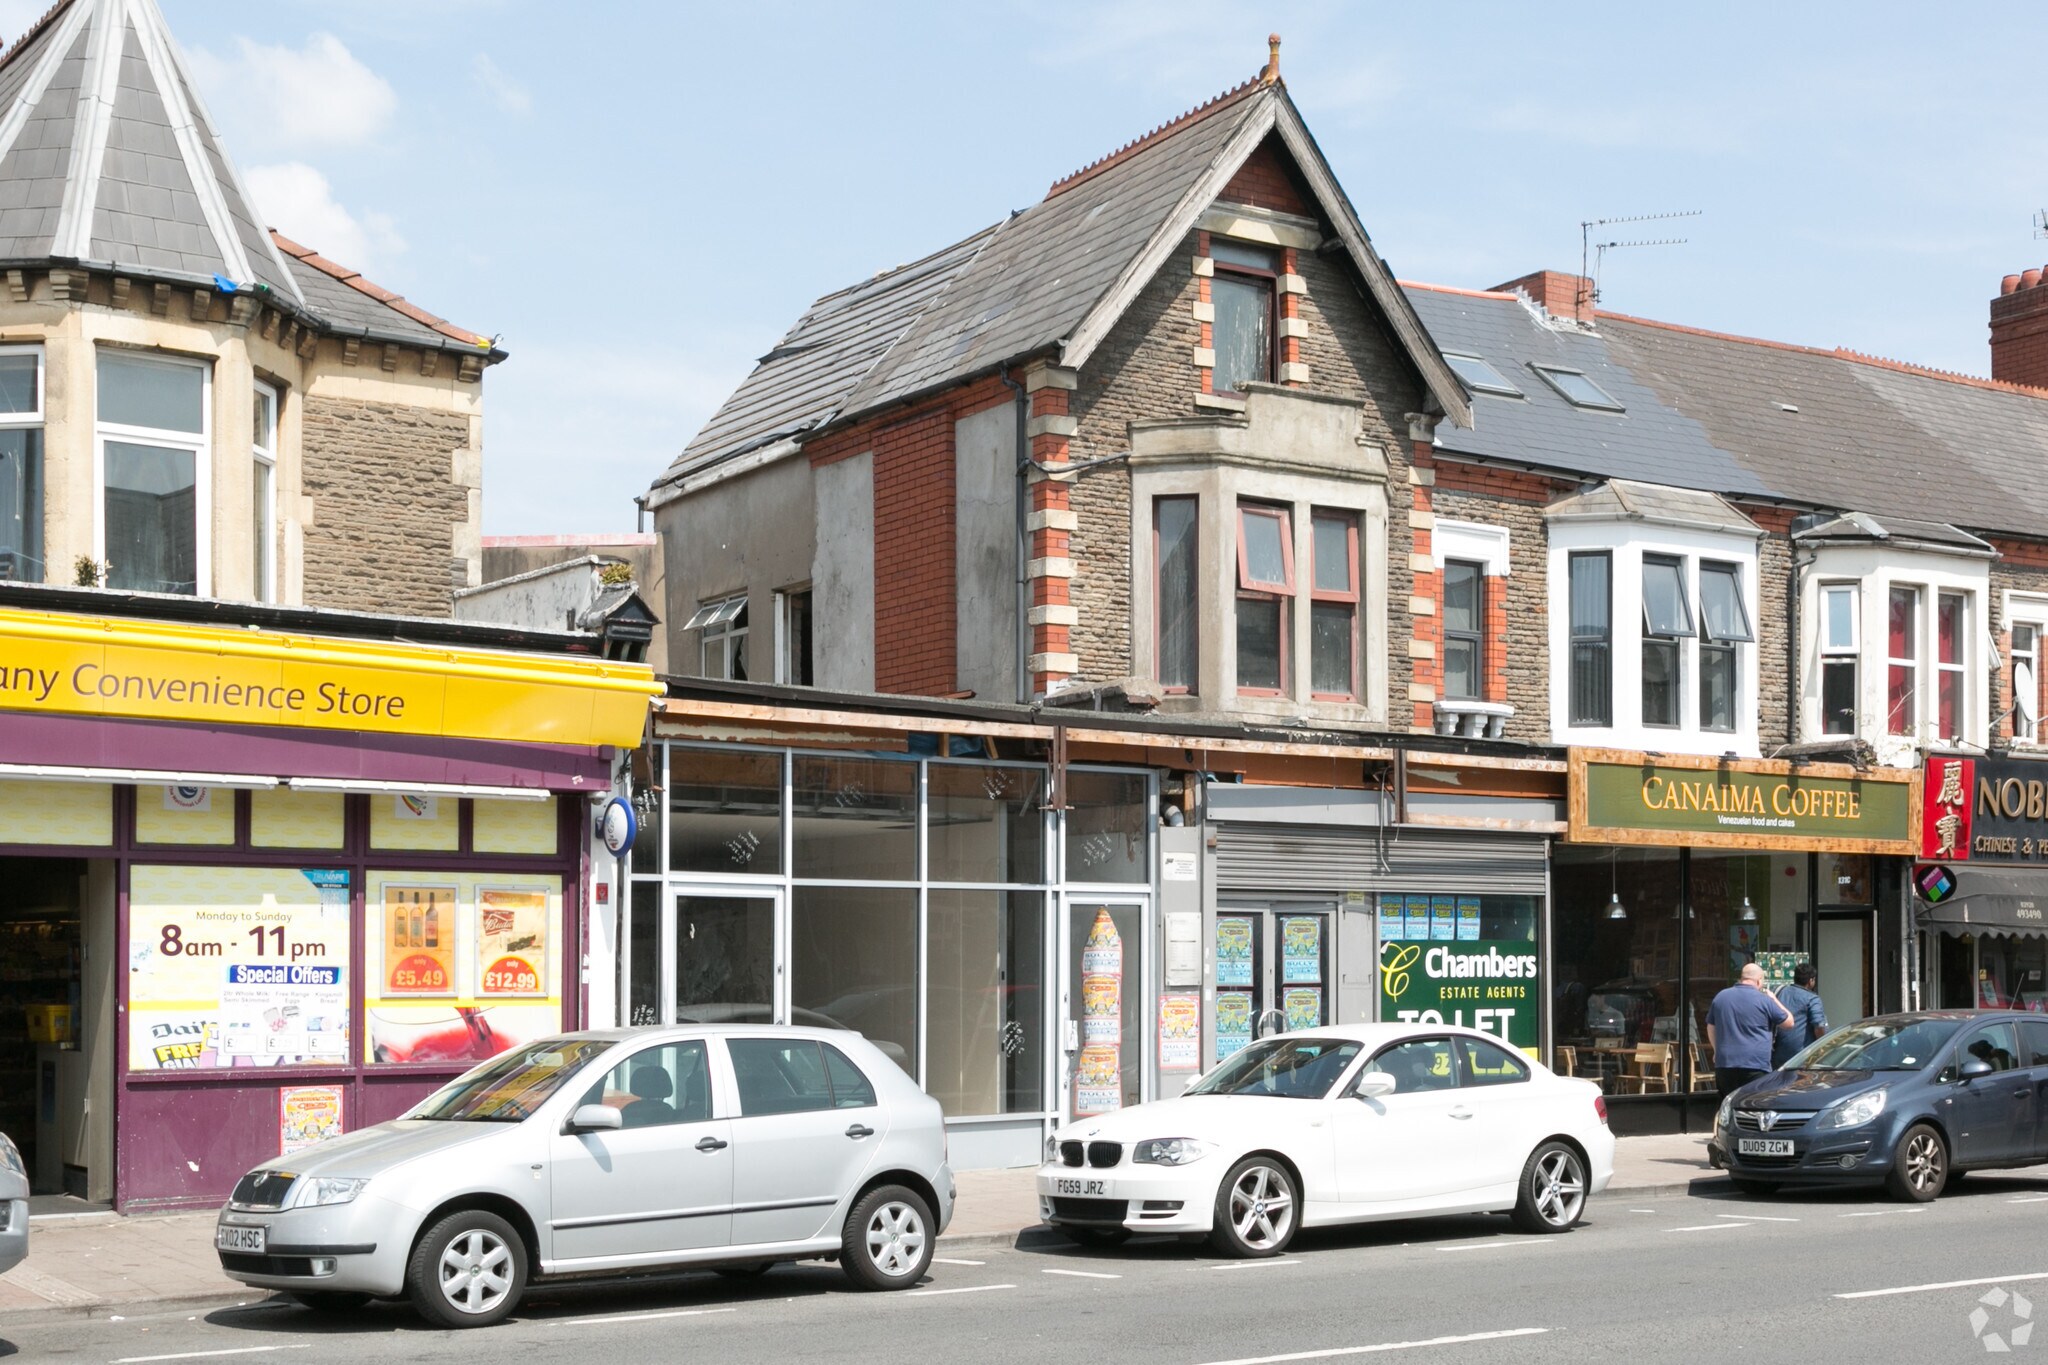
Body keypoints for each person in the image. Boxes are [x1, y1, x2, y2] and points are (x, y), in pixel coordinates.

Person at [1705, 962, 1795, 1099]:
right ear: (1759, 981)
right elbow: (1789, 1023)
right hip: (1755, 1065)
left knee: (1727, 1107)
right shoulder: (1764, 1000)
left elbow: (1711, 1026)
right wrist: (1774, 999)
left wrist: (1716, 1050)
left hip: (1725, 1064)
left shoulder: (1721, 997)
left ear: (1742, 978)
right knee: (1754, 1108)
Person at [1771, 962, 1829, 1068]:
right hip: (1801, 1057)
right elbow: (1819, 1025)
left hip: (1776, 1054)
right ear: (1811, 980)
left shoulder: (1779, 992)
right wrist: (1822, 1047)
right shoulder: (1812, 998)